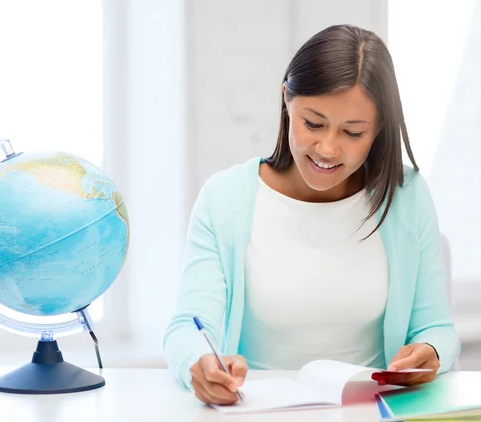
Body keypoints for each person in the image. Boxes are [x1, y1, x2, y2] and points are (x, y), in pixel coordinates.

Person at [163, 24, 461, 405]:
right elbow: (187, 326)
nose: (328, 148)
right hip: (256, 411)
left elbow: (437, 328)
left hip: (368, 411)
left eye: (353, 133)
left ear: (378, 129)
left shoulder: (406, 196)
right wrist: (198, 362)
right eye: (313, 124)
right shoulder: (225, 199)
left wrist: (432, 351)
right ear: (286, 101)